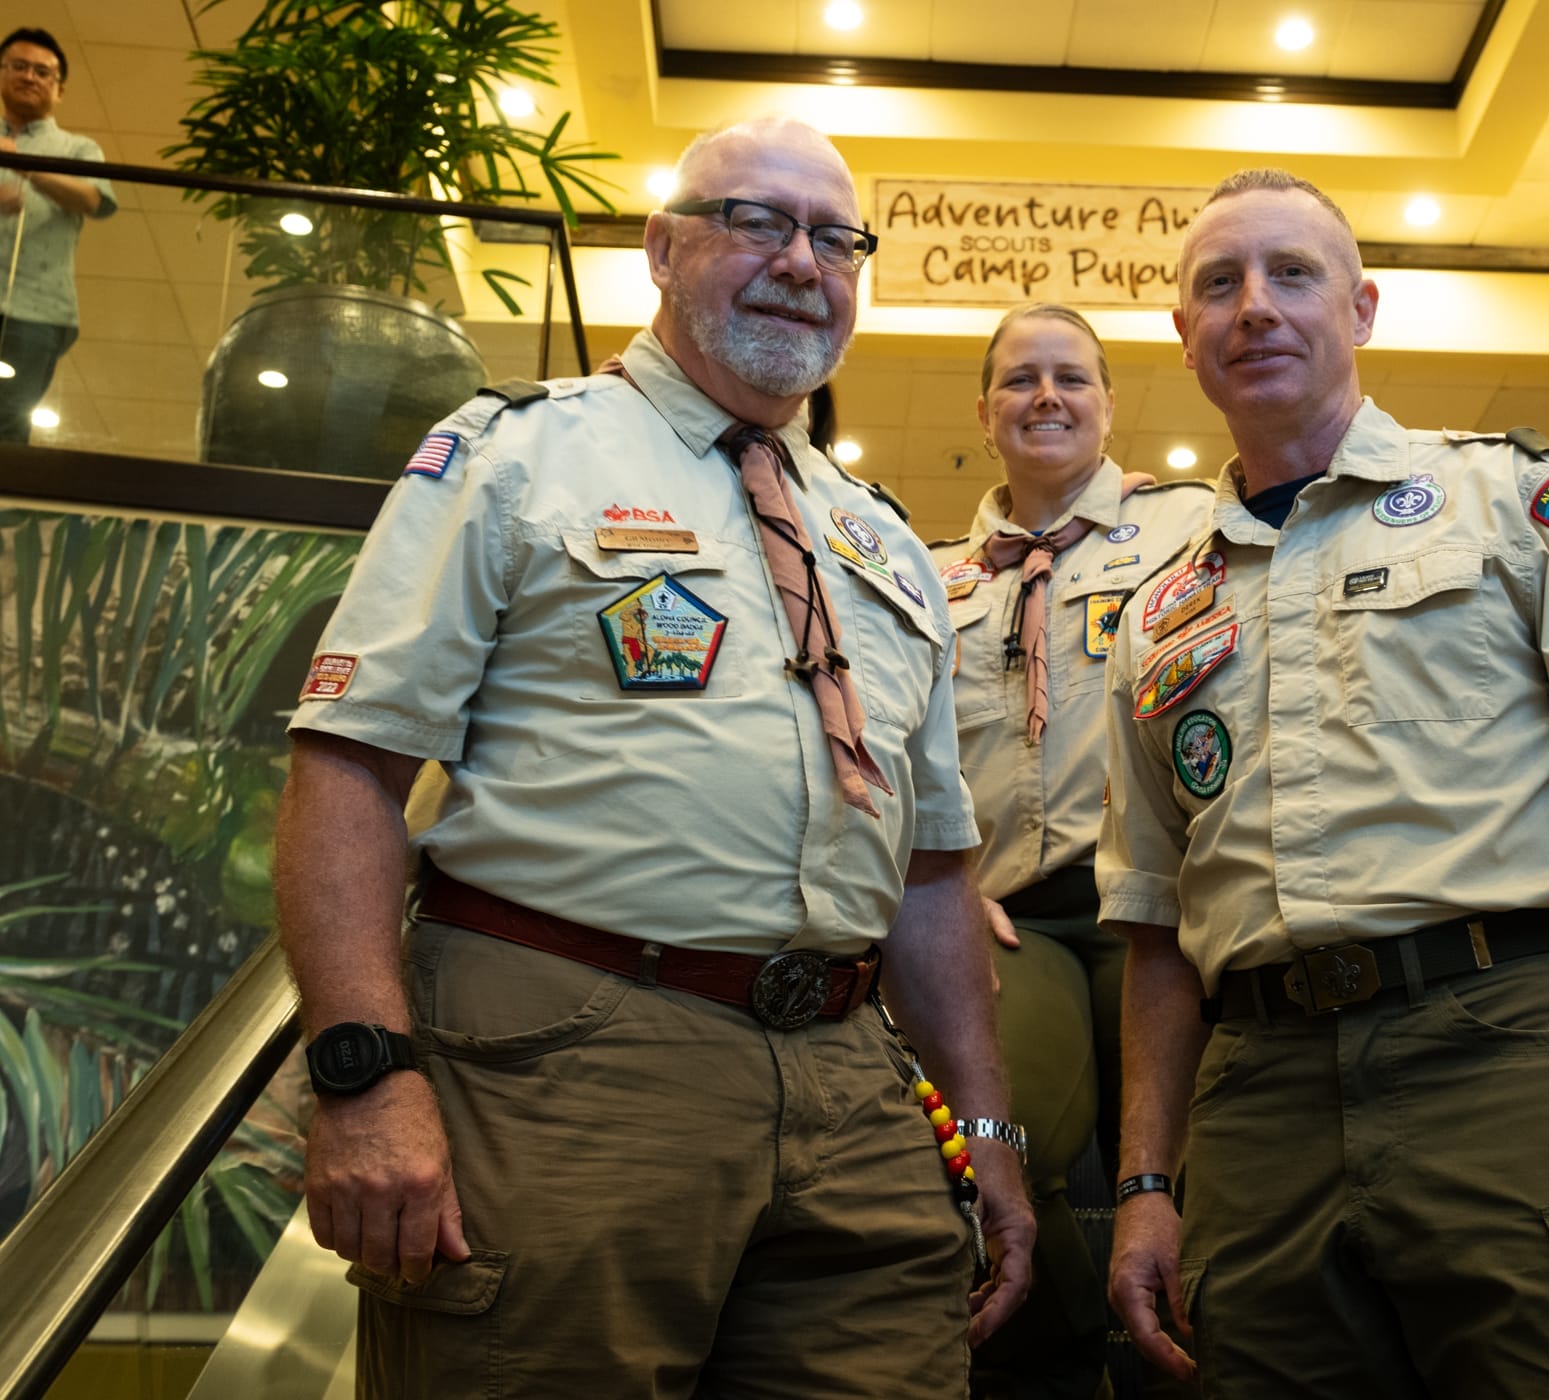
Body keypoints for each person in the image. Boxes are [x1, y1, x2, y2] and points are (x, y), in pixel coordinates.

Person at [275, 117, 1032, 1399]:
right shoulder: (517, 452)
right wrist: (364, 1075)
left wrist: (989, 1127)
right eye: (757, 222)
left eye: (835, 238)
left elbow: (933, 872)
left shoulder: (889, 542)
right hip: (567, 1055)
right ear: (663, 249)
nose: (801, 261)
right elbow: (349, 768)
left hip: (852, 1080)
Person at [1098, 168, 1549, 1397]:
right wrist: (1146, 1179)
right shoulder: (1154, 614)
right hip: (1258, 1101)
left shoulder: (1513, 498)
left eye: (1292, 274)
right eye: (1220, 284)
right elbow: (1153, 925)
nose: (1255, 306)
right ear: (1185, 336)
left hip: (1511, 1050)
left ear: (1360, 308)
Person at [927, 304, 1211, 1399]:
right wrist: (942, 885)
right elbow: (891, 750)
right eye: (1020, 379)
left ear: (1107, 403)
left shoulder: (1191, 527)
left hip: (1162, 909)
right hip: (1012, 916)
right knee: (1001, 1145)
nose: (1046, 396)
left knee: (1198, 1159)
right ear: (983, 411)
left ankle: (1194, 1362)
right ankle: (1049, 1363)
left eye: (1072, 377)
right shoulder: (928, 576)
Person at [0, 26, 114, 443]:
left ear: (59, 89)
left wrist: (27, 167)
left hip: (38, 309)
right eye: (19, 66)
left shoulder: (79, 149)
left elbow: (93, 199)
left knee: (9, 423)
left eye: (42, 71)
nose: (29, 77)